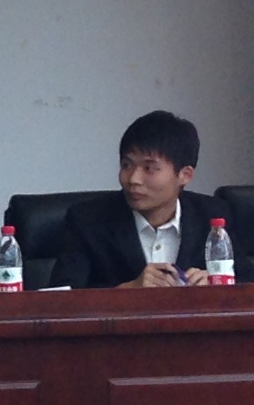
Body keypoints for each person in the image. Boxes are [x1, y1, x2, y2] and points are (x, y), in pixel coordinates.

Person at [57, 110, 221, 288]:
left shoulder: (213, 216)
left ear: (185, 175)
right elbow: (60, 298)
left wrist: (218, 286)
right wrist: (129, 290)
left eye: (149, 168)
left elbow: (244, 283)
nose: (133, 179)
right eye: (126, 165)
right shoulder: (87, 220)